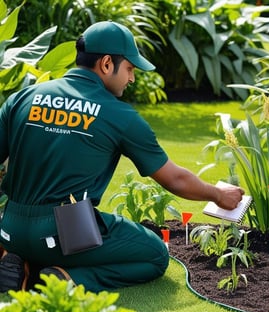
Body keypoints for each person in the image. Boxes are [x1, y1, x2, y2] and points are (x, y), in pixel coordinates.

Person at [0, 21, 244, 293]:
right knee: (155, 255)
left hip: (10, 229)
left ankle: (18, 259)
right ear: (106, 64)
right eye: (129, 68)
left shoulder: (23, 98)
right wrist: (219, 196)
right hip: (66, 235)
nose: (132, 78)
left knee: (35, 238)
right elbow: (174, 179)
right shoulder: (119, 116)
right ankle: (63, 279)